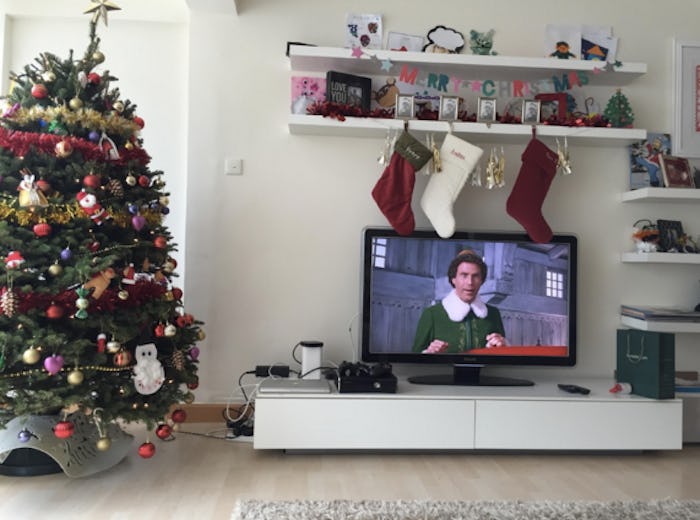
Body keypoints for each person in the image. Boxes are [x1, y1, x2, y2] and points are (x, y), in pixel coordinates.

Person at [412, 250, 506, 353]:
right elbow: (414, 360)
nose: (470, 282)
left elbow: (502, 359)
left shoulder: (493, 314)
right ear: (453, 279)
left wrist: (502, 347)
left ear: (481, 280)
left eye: (475, 276)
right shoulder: (432, 314)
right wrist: (429, 354)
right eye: (464, 275)